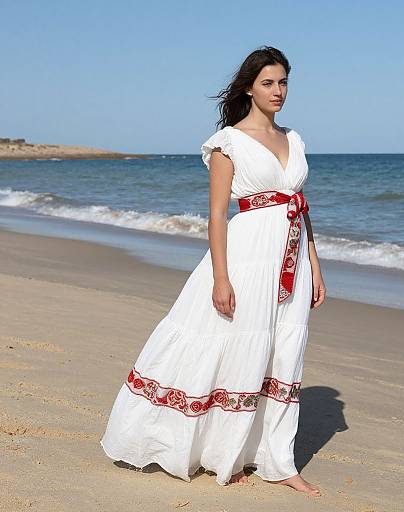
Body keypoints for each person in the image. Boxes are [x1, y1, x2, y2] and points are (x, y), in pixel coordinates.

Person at [100, 45, 326, 497]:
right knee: (238, 347)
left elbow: (301, 209)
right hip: (247, 257)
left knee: (284, 353)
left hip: (292, 260)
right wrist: (221, 278)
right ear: (249, 87)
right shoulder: (229, 142)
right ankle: (229, 455)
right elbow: (218, 215)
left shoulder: (294, 138)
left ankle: (279, 461)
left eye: (283, 82)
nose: (278, 91)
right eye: (268, 82)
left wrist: (316, 268)